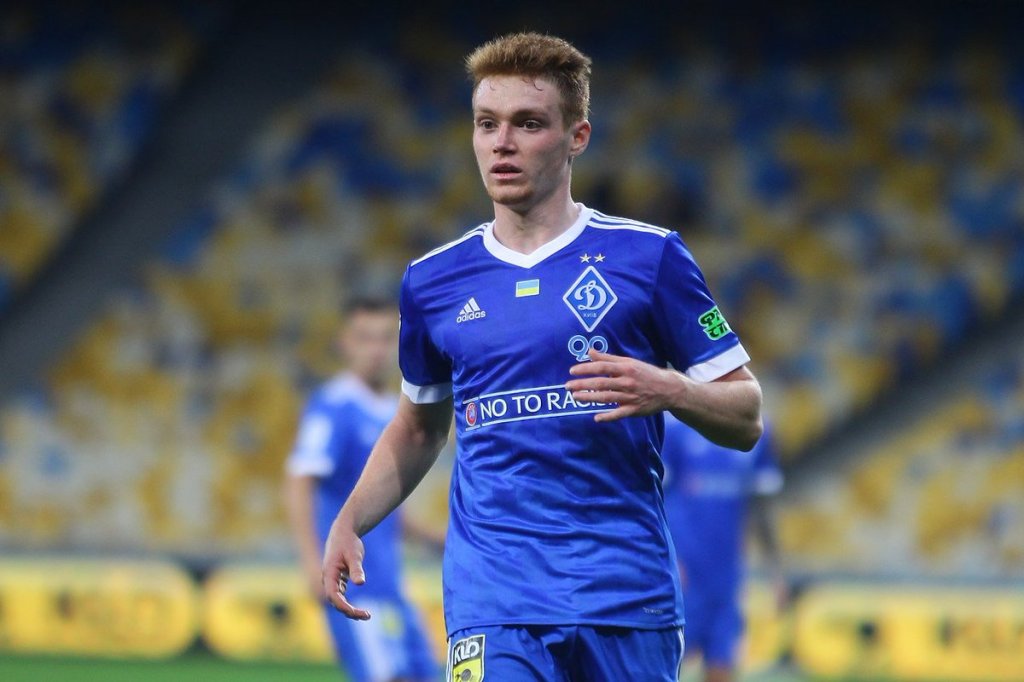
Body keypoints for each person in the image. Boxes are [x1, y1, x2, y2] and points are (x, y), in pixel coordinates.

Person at [322, 32, 763, 681]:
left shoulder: (651, 257)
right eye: (487, 124)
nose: (502, 143)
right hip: (493, 601)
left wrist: (671, 390)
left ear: (576, 136)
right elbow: (417, 428)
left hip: (625, 597)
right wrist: (350, 520)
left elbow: (746, 414)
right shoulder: (432, 281)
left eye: (528, 124)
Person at [284, 296, 440, 682]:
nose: (376, 349)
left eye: (385, 338)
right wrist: (312, 562)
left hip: (391, 584)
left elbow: (380, 505)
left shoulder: (395, 410)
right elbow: (300, 480)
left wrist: (432, 538)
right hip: (353, 585)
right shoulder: (334, 406)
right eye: (365, 338)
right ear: (345, 343)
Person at [661, 414, 787, 682]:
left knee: (722, 666)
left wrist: (775, 571)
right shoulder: (674, 425)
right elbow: (654, 497)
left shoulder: (756, 429)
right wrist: (665, 559)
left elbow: (761, 509)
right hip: (684, 572)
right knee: (668, 664)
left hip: (727, 575)